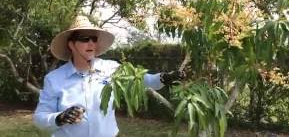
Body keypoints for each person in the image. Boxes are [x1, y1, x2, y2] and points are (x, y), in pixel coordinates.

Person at [33, 15, 183, 137]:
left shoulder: (110, 68)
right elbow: (40, 117)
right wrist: (60, 118)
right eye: (85, 39)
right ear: (71, 45)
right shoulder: (54, 79)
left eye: (94, 38)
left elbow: (143, 80)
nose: (91, 43)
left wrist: (163, 78)